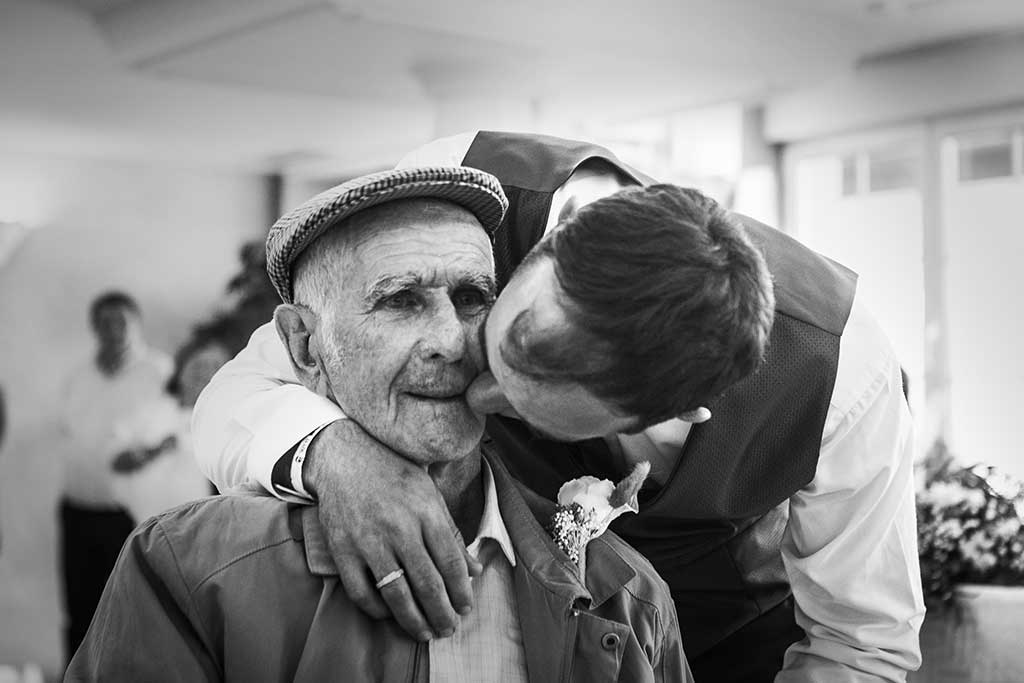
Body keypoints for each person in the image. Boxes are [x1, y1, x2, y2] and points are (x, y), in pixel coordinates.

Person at [193, 132, 925, 681]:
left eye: (528, 408)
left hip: (742, 636)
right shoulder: (460, 198)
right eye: (501, 342)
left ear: (675, 410)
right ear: (545, 253)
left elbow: (859, 641)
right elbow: (237, 391)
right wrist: (335, 455)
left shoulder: (842, 376)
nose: (476, 394)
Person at [66, 166, 689, 682]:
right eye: (401, 300)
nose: (452, 341)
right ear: (304, 347)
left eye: (473, 298)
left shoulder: (629, 595)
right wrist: (338, 456)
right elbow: (228, 400)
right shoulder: (193, 572)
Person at [58, 291, 172, 664]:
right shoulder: (79, 376)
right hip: (77, 510)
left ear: (136, 324)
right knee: (79, 611)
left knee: (130, 613)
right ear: (95, 328)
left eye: (120, 321)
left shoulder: (160, 374)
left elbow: (174, 438)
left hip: (130, 518)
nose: (113, 330)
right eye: (104, 322)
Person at [109, 336, 226, 521]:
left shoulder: (223, 422)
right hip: (143, 529)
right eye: (197, 363)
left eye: (212, 366)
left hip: (200, 529)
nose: (202, 371)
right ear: (181, 369)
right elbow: (116, 461)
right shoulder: (151, 409)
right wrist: (152, 452)